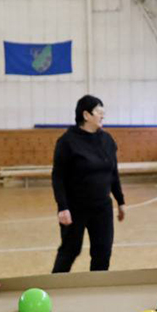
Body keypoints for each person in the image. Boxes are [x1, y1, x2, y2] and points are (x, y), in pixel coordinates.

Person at [51, 94, 126, 273]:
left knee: (103, 252)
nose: (103, 116)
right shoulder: (67, 142)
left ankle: (97, 288)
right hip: (74, 208)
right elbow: (58, 177)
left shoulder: (107, 140)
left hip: (102, 207)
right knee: (70, 250)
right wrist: (62, 207)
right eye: (99, 112)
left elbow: (113, 173)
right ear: (86, 115)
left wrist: (120, 201)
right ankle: (55, 285)